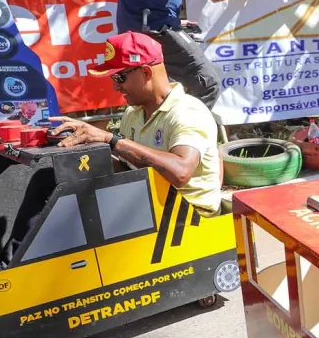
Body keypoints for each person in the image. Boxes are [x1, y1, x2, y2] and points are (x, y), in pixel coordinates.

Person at [50, 32, 223, 217]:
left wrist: (112, 140)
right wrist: (89, 147)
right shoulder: (134, 113)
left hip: (189, 219)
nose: (116, 87)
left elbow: (180, 172)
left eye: (119, 78)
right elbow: (129, 167)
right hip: (152, 208)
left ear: (146, 72)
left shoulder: (188, 112)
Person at [116, 0, 252, 110]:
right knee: (207, 85)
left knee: (161, 97)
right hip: (156, 28)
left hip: (139, 26)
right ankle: (186, 131)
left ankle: (162, 131)